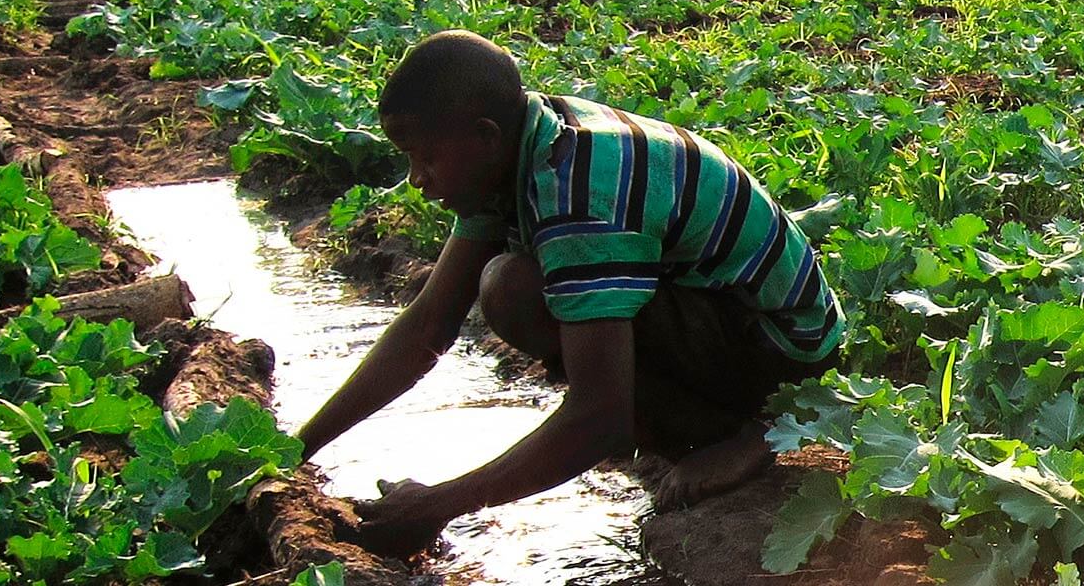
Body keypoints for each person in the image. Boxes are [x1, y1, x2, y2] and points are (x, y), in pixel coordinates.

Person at [296, 29, 843, 555]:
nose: (417, 178)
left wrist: (436, 505)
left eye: (425, 157)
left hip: (781, 355)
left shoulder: (576, 187)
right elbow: (426, 327)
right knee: (513, 287)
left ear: (485, 137)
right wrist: (297, 449)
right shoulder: (515, 146)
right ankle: (689, 429)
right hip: (713, 318)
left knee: (512, 288)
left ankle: (752, 433)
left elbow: (597, 419)